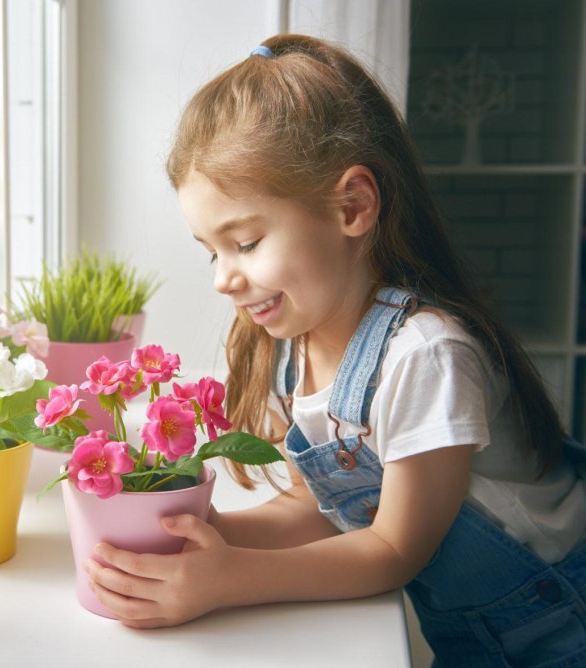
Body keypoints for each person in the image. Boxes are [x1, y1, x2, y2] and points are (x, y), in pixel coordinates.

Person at [82, 34, 586, 665]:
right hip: (473, 641)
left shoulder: (425, 357)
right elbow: (321, 508)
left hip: (560, 633)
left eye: (246, 243)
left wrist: (230, 580)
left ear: (352, 206)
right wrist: (213, 536)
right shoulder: (296, 344)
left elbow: (394, 549)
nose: (222, 279)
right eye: (212, 252)